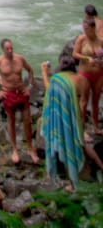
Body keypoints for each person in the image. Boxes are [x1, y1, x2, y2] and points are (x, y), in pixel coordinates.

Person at [41, 55, 103, 187]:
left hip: (58, 117)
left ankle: (56, 175)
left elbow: (48, 89)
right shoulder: (82, 80)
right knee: (82, 144)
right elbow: (83, 103)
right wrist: (81, 126)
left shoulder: (56, 80)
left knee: (59, 142)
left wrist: (44, 74)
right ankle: (101, 166)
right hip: (73, 117)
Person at [0, 38, 38, 164]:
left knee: (27, 120)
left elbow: (30, 70)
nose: (10, 50)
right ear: (3, 49)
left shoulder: (19, 58)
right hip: (8, 93)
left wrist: (30, 87)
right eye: (7, 49)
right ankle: (14, 149)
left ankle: (30, 148)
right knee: (11, 121)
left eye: (11, 48)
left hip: (21, 91)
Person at [72, 18, 103, 131]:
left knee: (96, 100)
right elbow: (74, 54)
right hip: (84, 73)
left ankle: (96, 127)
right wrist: (86, 57)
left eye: (87, 29)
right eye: (84, 28)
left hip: (98, 73)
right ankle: (82, 129)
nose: (84, 31)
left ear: (93, 28)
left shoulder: (100, 40)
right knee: (84, 101)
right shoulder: (81, 39)